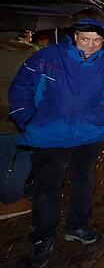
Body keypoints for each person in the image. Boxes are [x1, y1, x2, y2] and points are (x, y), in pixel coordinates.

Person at [8, 19, 104, 268]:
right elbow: (21, 86)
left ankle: (78, 226)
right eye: (85, 39)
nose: (91, 46)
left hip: (89, 134)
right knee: (47, 188)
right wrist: (27, 117)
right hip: (48, 135)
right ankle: (42, 237)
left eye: (97, 41)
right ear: (75, 37)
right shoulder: (49, 56)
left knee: (83, 182)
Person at [0, 31, 38, 220]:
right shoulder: (29, 55)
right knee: (26, 156)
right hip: (21, 115)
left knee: (3, 158)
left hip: (1, 117)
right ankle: (11, 198)